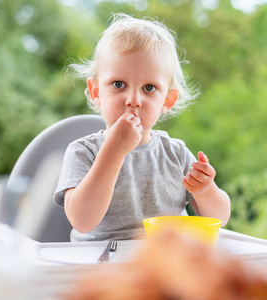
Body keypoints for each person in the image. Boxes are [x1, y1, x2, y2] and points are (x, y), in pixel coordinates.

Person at [54, 13, 230, 242]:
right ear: (97, 91)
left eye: (149, 88)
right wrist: (114, 150)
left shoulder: (175, 154)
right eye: (119, 84)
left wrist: (205, 190)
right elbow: (82, 221)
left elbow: (220, 218)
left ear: (167, 101)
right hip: (102, 266)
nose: (133, 100)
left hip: (163, 263)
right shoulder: (83, 152)